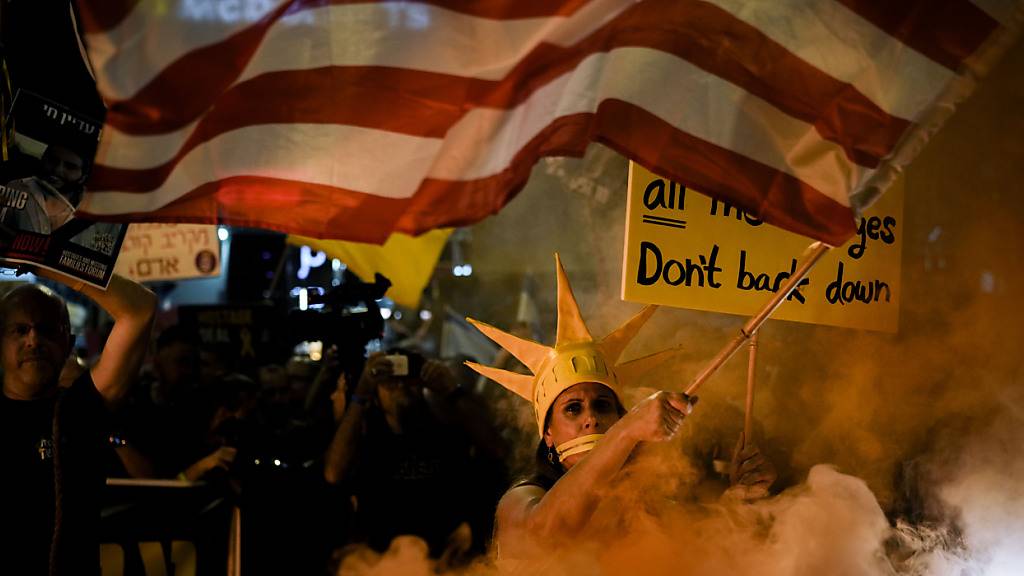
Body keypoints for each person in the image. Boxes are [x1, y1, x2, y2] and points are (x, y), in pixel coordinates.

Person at [465, 255, 775, 558]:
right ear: (548, 434)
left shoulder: (648, 507)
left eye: (602, 406)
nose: (592, 419)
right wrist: (627, 431)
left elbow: (709, 558)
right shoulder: (522, 499)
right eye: (573, 409)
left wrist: (740, 501)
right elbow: (544, 536)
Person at [0, 268, 156, 574]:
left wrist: (45, 262)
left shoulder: (80, 410)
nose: (34, 340)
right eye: (20, 330)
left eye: (47, 330)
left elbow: (140, 307)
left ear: (69, 344)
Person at [324, 348, 507, 563]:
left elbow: (496, 449)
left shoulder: (442, 427)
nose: (400, 386)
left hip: (442, 559)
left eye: (408, 378)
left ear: (420, 383)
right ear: (377, 390)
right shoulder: (367, 436)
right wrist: (362, 392)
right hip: (381, 562)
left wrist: (452, 390)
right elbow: (334, 473)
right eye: (390, 381)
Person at [1, 143, 87, 234]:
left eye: (70, 167)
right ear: (43, 159)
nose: (57, 170)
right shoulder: (16, 188)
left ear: (83, 177)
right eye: (53, 160)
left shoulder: (94, 210)